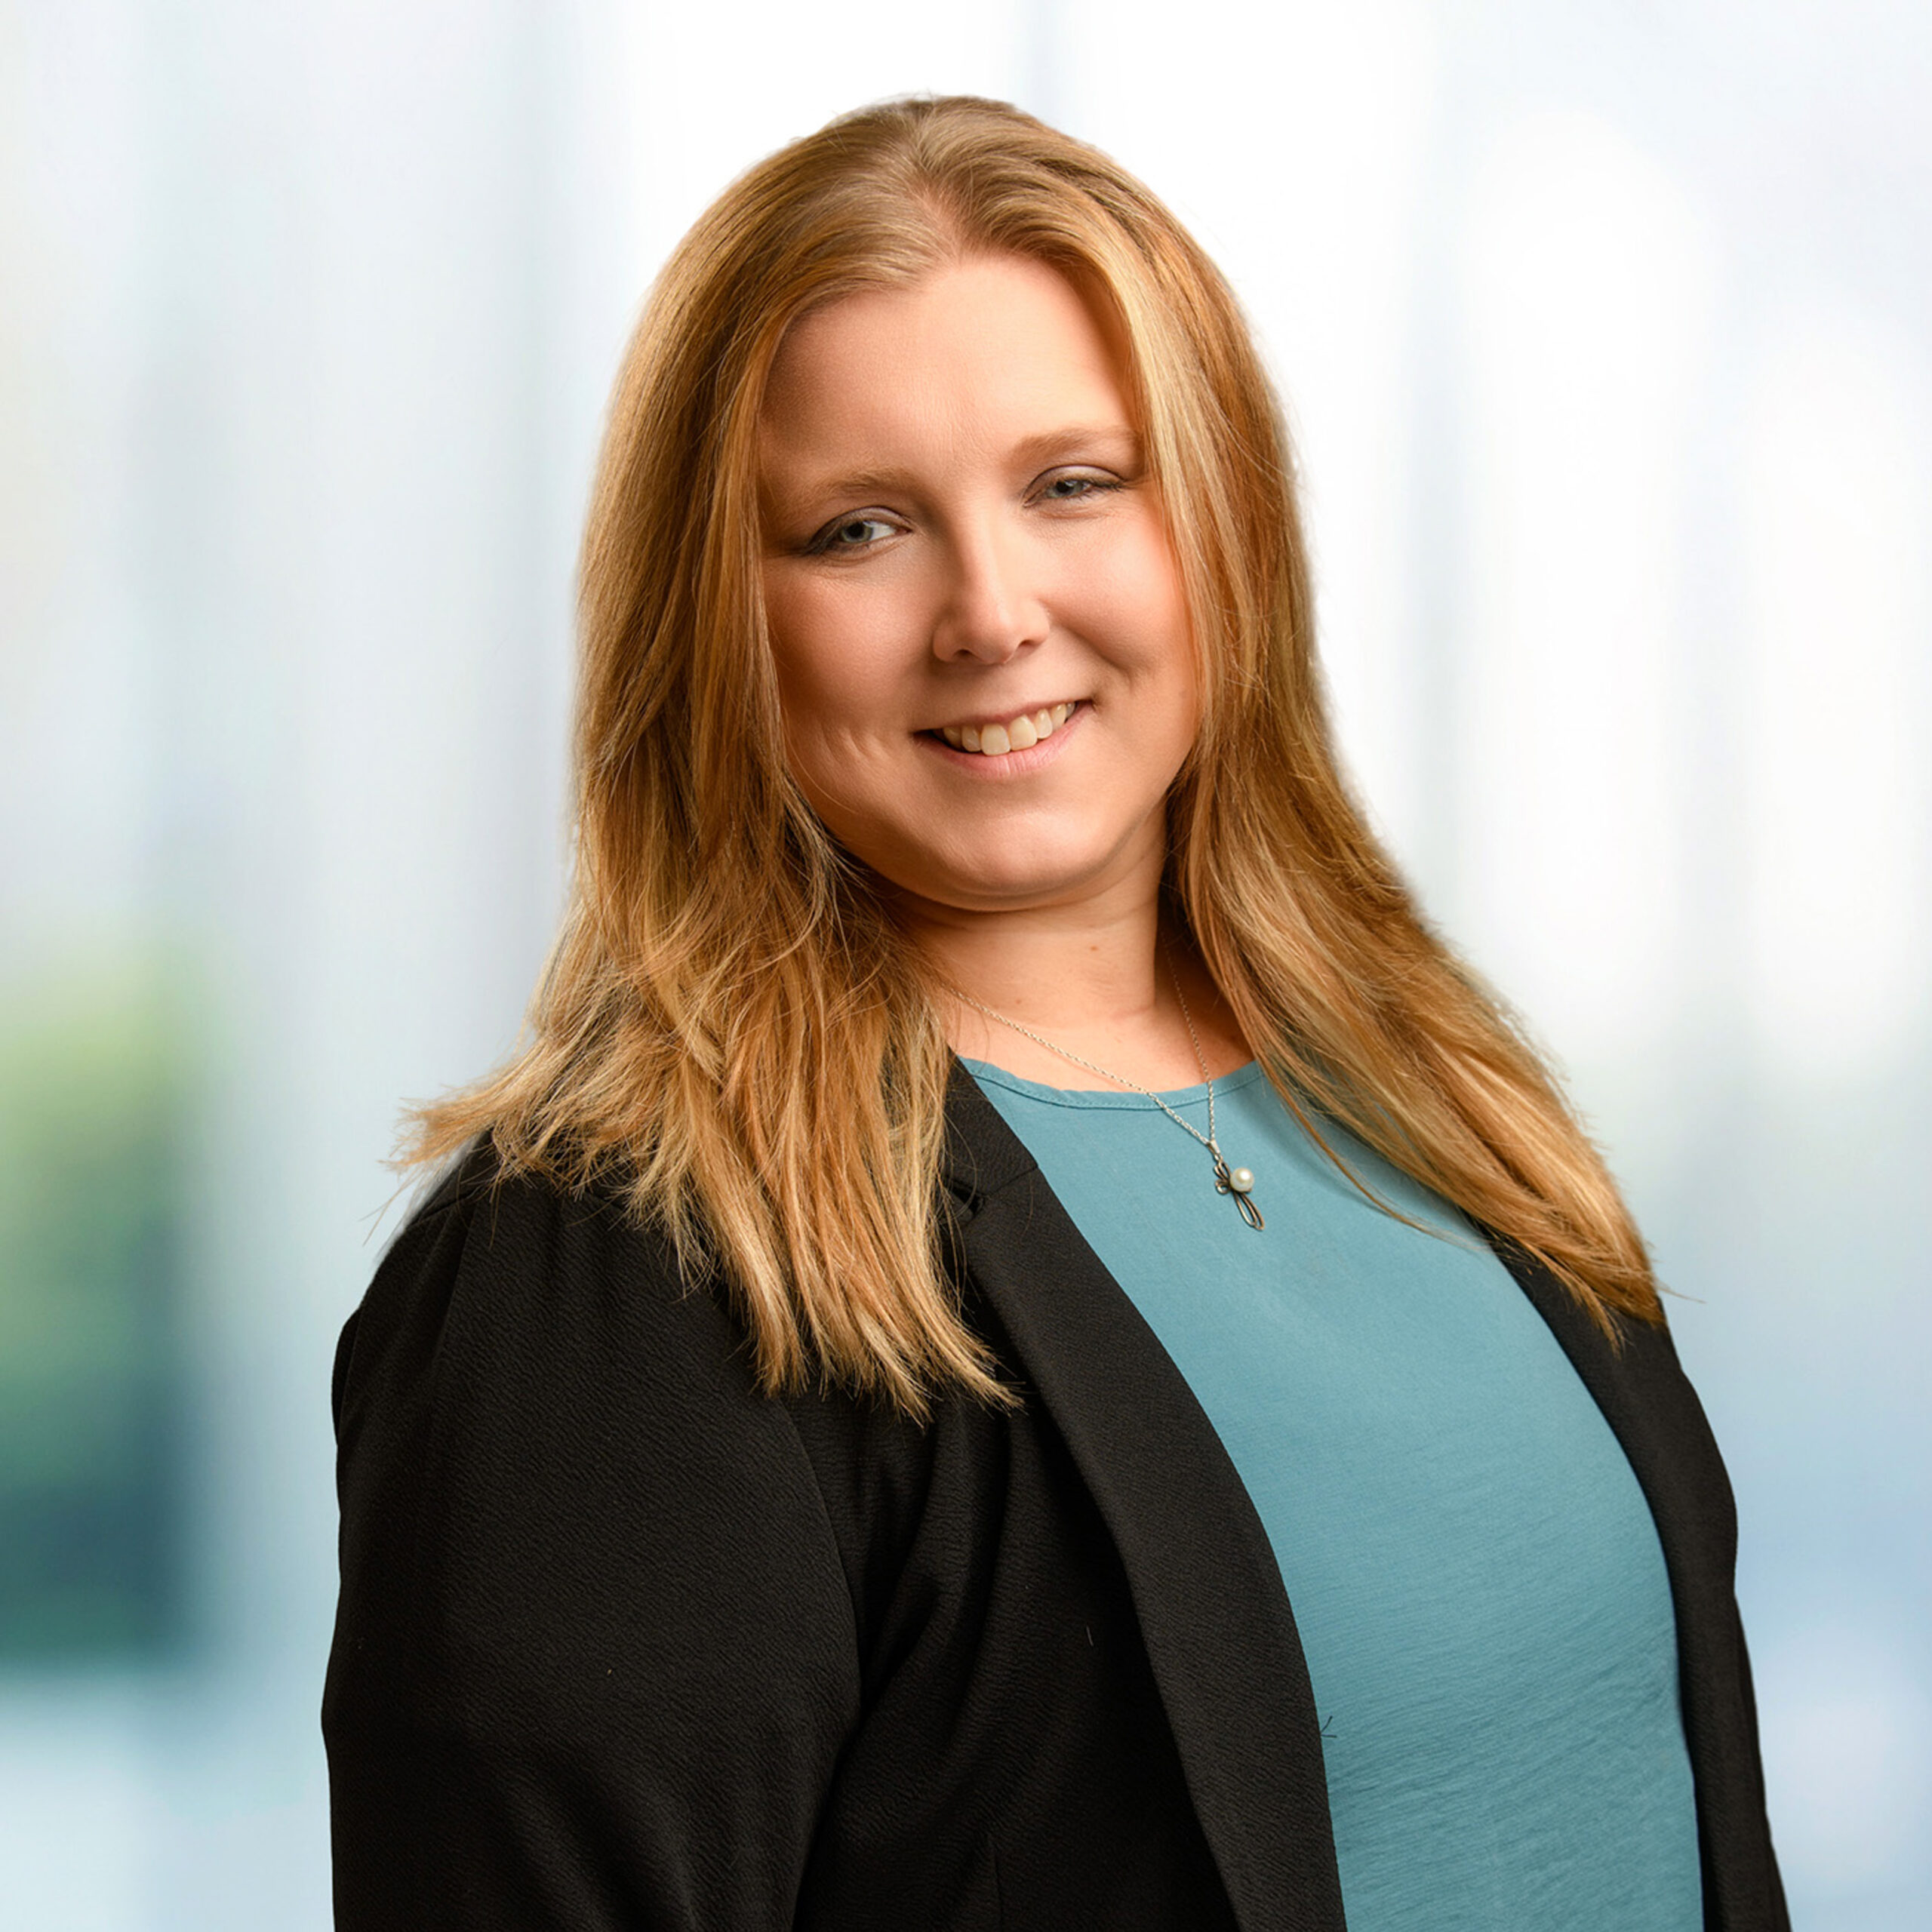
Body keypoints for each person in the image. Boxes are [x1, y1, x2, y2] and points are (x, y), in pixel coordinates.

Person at [322, 95, 1786, 1931]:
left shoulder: (1437, 1099)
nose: (988, 612)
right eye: (856, 527)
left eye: (1072, 483)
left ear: (1219, 524)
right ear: (712, 616)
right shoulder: (616, 1276)